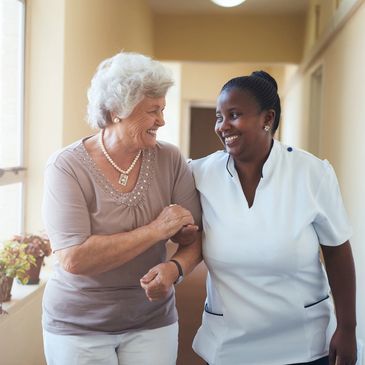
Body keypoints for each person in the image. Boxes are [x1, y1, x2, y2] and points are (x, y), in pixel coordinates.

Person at [141, 71, 357, 365]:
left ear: (267, 118)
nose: (222, 126)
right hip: (229, 344)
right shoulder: (200, 174)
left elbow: (337, 252)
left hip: (304, 343)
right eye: (219, 117)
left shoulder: (312, 173)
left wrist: (347, 328)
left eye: (234, 115)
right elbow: (171, 216)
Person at [41, 51, 201, 365]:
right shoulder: (66, 167)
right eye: (153, 110)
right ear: (117, 110)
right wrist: (156, 230)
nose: (162, 120)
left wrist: (175, 267)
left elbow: (194, 239)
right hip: (78, 325)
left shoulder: (170, 159)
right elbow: (74, 258)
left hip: (152, 320)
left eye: (163, 109)